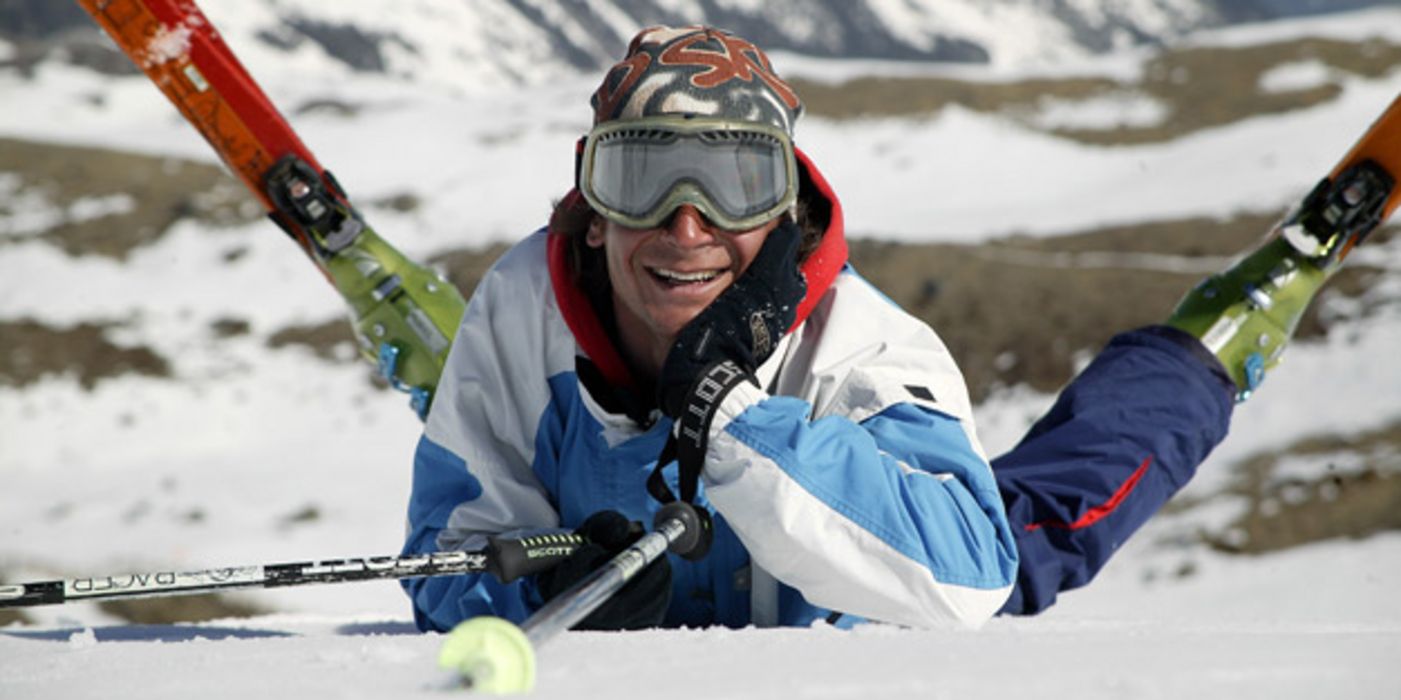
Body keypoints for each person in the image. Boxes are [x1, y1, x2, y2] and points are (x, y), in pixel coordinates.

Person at [400, 25, 1343, 630]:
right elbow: (443, 559)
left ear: (781, 211)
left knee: (1029, 543)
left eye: (734, 186)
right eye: (641, 179)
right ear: (590, 204)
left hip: (885, 586)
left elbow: (969, 575)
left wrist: (732, 419)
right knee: (498, 408)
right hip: (581, 415)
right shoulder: (524, 306)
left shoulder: (858, 345)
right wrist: (543, 589)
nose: (685, 226)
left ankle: (1206, 350)